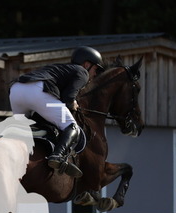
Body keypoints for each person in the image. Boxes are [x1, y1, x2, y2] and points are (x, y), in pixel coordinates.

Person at [9, 46, 105, 178]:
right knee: (71, 126)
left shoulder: (61, 68)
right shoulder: (82, 72)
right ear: (87, 64)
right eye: (96, 69)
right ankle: (58, 156)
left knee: (23, 130)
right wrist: (73, 103)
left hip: (16, 89)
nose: (95, 74)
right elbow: (68, 98)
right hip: (38, 90)